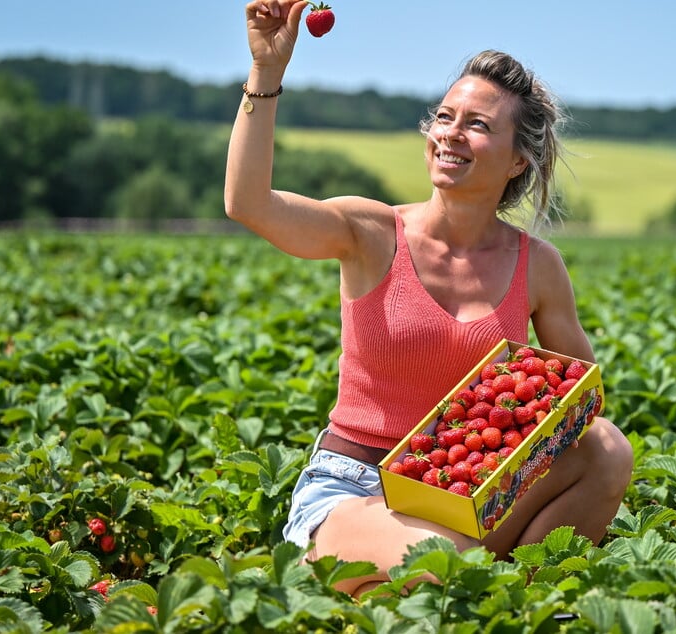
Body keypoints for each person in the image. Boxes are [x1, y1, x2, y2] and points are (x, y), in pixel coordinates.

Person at [226, 0, 634, 597]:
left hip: (464, 492)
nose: (451, 133)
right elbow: (248, 204)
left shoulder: (537, 267)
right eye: (445, 116)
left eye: (477, 124)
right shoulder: (371, 233)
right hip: (353, 489)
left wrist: (502, 447)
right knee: (444, 558)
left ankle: (523, 598)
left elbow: (580, 401)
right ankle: (476, 584)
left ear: (520, 158)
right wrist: (266, 72)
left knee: (606, 449)